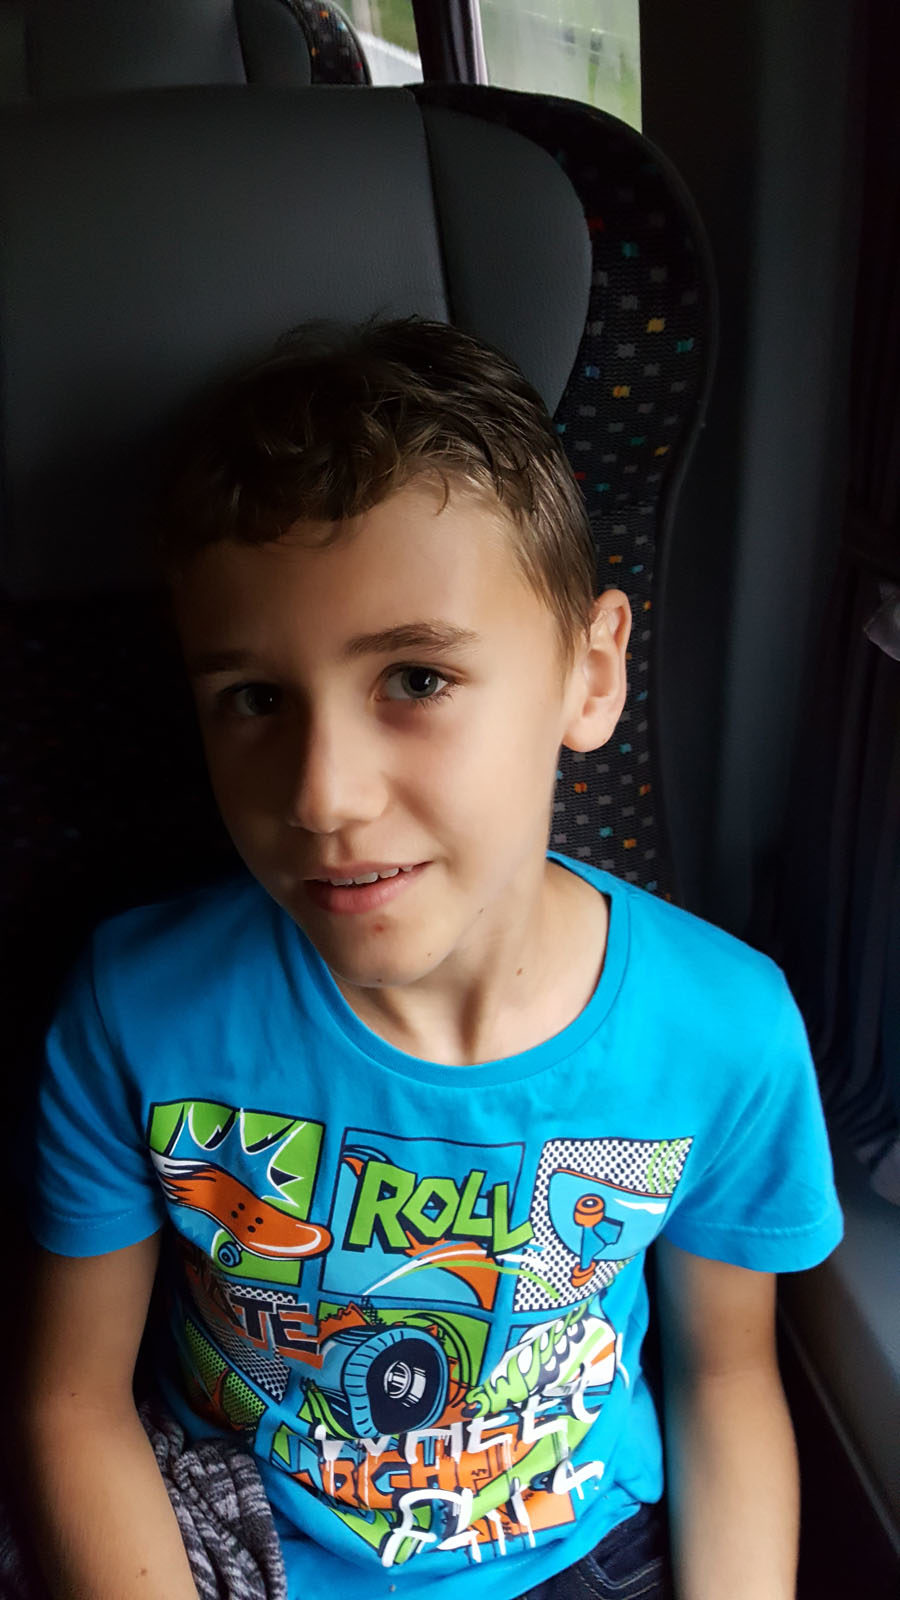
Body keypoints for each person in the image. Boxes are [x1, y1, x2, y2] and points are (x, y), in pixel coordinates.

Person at [17, 317, 842, 1600]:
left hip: (575, 1548)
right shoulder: (137, 1010)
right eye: (254, 699)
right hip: (234, 1533)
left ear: (590, 673)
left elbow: (726, 1376)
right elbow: (73, 1402)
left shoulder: (724, 1029)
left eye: (415, 678)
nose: (322, 795)